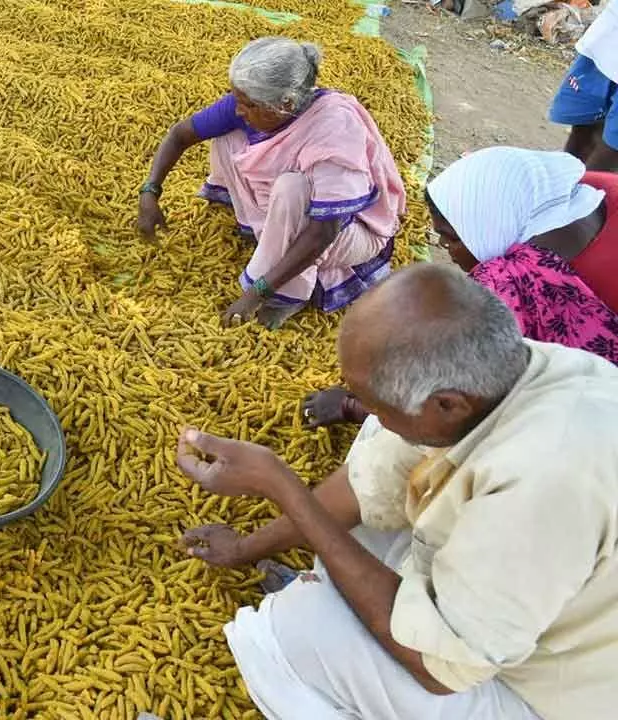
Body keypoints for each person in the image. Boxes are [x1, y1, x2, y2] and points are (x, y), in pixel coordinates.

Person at [170, 263, 618, 720]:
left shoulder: (543, 481)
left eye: (371, 402)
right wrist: (246, 547)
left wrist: (281, 484)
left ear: (447, 403)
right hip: (531, 595)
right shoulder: (502, 372)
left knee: (289, 635)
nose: (361, 410)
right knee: (375, 492)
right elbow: (366, 486)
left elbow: (439, 670)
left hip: (549, 692)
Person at [304, 147, 618, 428]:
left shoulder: (507, 285)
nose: (443, 246)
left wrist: (351, 406)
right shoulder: (581, 189)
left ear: (490, 227)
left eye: (451, 237)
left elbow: (466, 409)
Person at [135, 36, 406, 329]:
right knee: (228, 139)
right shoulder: (252, 103)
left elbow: (323, 232)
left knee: (292, 189)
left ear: (285, 104)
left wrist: (257, 292)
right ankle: (270, 237)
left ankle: (291, 294)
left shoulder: (333, 129)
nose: (239, 110)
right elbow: (180, 135)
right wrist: (150, 193)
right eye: (237, 100)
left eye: (248, 104)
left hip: (349, 230)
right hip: (301, 213)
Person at [548, 0, 618, 172]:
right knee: (583, 132)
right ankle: (561, 190)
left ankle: (585, 195)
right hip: (607, 43)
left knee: (610, 153)